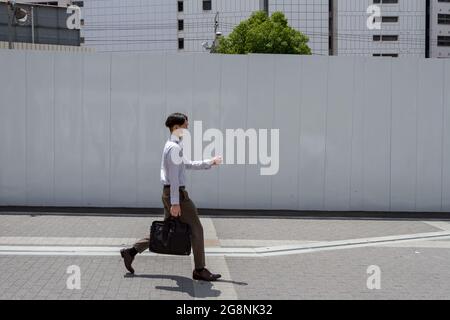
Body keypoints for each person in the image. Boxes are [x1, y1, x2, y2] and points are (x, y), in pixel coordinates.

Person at [120, 113, 223, 281]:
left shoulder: (172, 145)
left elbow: (187, 165)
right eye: (185, 126)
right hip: (177, 195)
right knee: (197, 229)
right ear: (176, 128)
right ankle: (199, 269)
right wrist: (176, 203)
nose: (187, 128)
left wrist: (210, 162)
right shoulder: (174, 148)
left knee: (167, 227)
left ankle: (131, 252)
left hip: (169, 193)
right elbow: (174, 178)